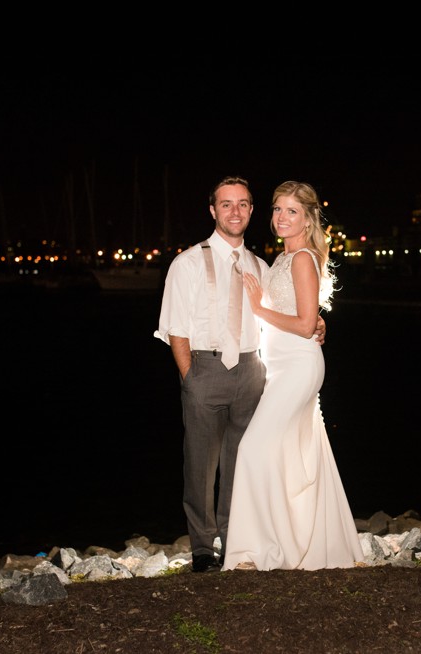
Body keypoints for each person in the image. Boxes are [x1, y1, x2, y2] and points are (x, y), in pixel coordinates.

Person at [154, 176, 325, 573]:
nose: (235, 211)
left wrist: (317, 323)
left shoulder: (261, 266)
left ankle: (237, 539)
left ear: (250, 210)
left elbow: (290, 311)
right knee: (199, 463)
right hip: (205, 369)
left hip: (253, 371)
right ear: (213, 210)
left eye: (243, 204)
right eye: (226, 204)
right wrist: (190, 377)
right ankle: (201, 546)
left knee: (241, 460)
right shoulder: (188, 262)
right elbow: (174, 326)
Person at [222, 181, 363, 571]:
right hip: (279, 367)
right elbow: (308, 317)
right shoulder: (282, 259)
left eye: (291, 211)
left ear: (308, 218)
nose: (281, 218)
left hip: (299, 368)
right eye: (277, 209)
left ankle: (258, 551)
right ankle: (301, 543)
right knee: (295, 455)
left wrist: (258, 308)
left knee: (254, 449)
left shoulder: (302, 258)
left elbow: (303, 325)